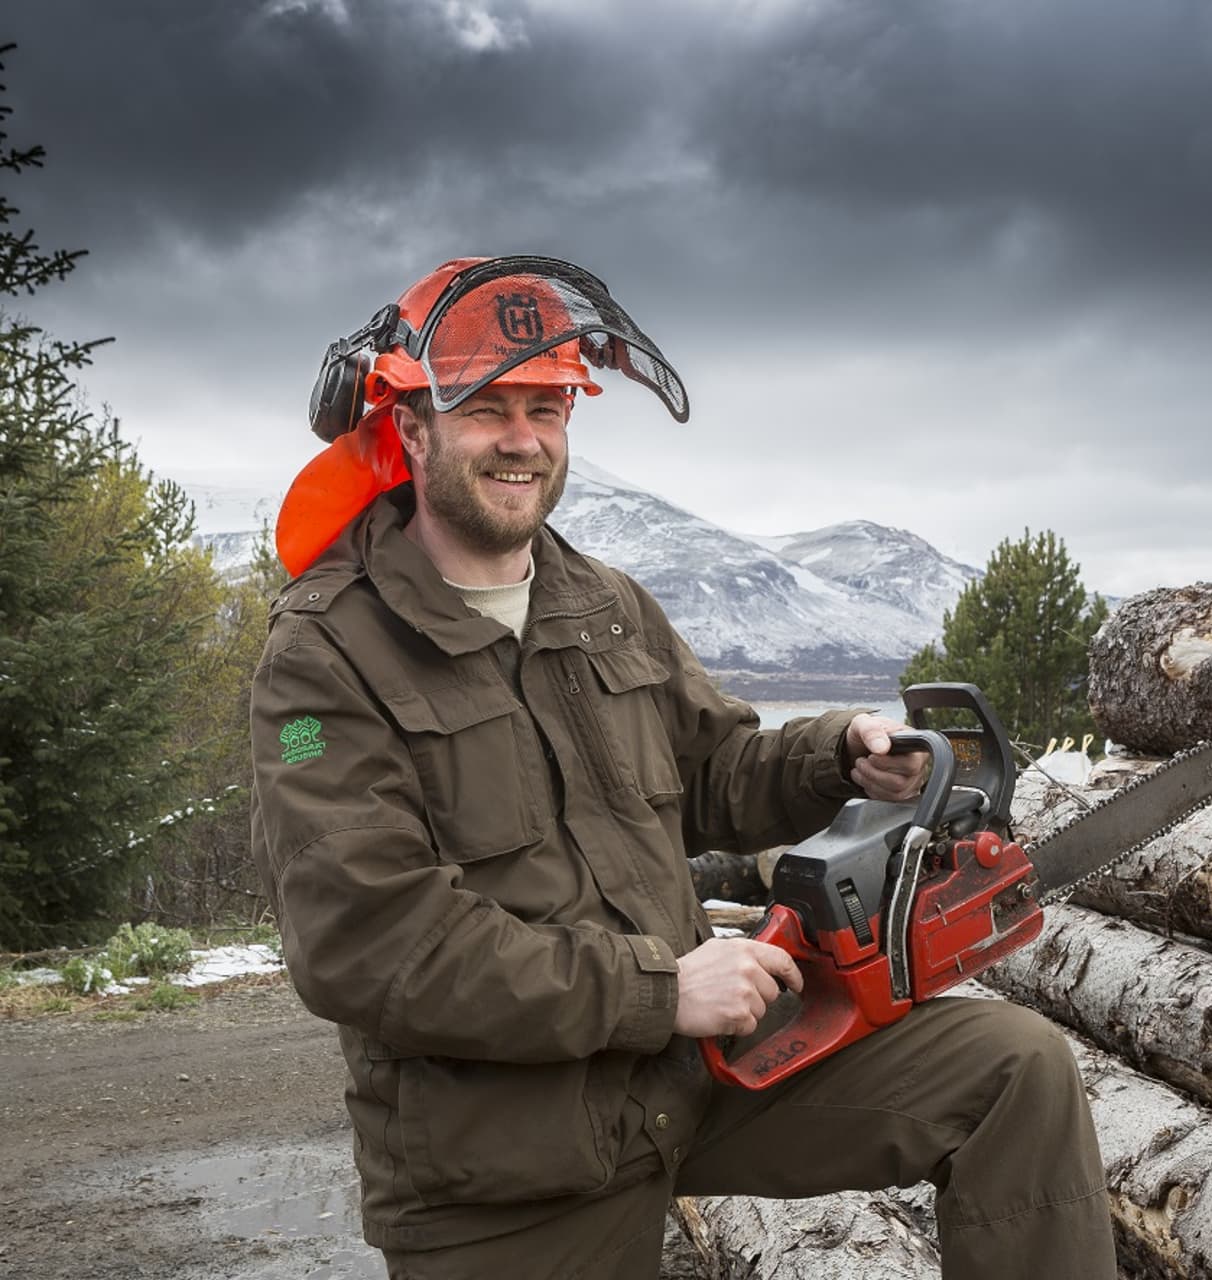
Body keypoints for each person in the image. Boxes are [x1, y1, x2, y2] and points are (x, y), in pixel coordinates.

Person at [250, 256, 1116, 1280]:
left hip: (688, 1077)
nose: (523, 438)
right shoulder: (324, 655)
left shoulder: (600, 600)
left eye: (548, 406)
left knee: (1012, 1069)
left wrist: (835, 752)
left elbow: (715, 771)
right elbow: (368, 941)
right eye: (488, 408)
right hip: (505, 1161)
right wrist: (660, 987)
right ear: (411, 427)